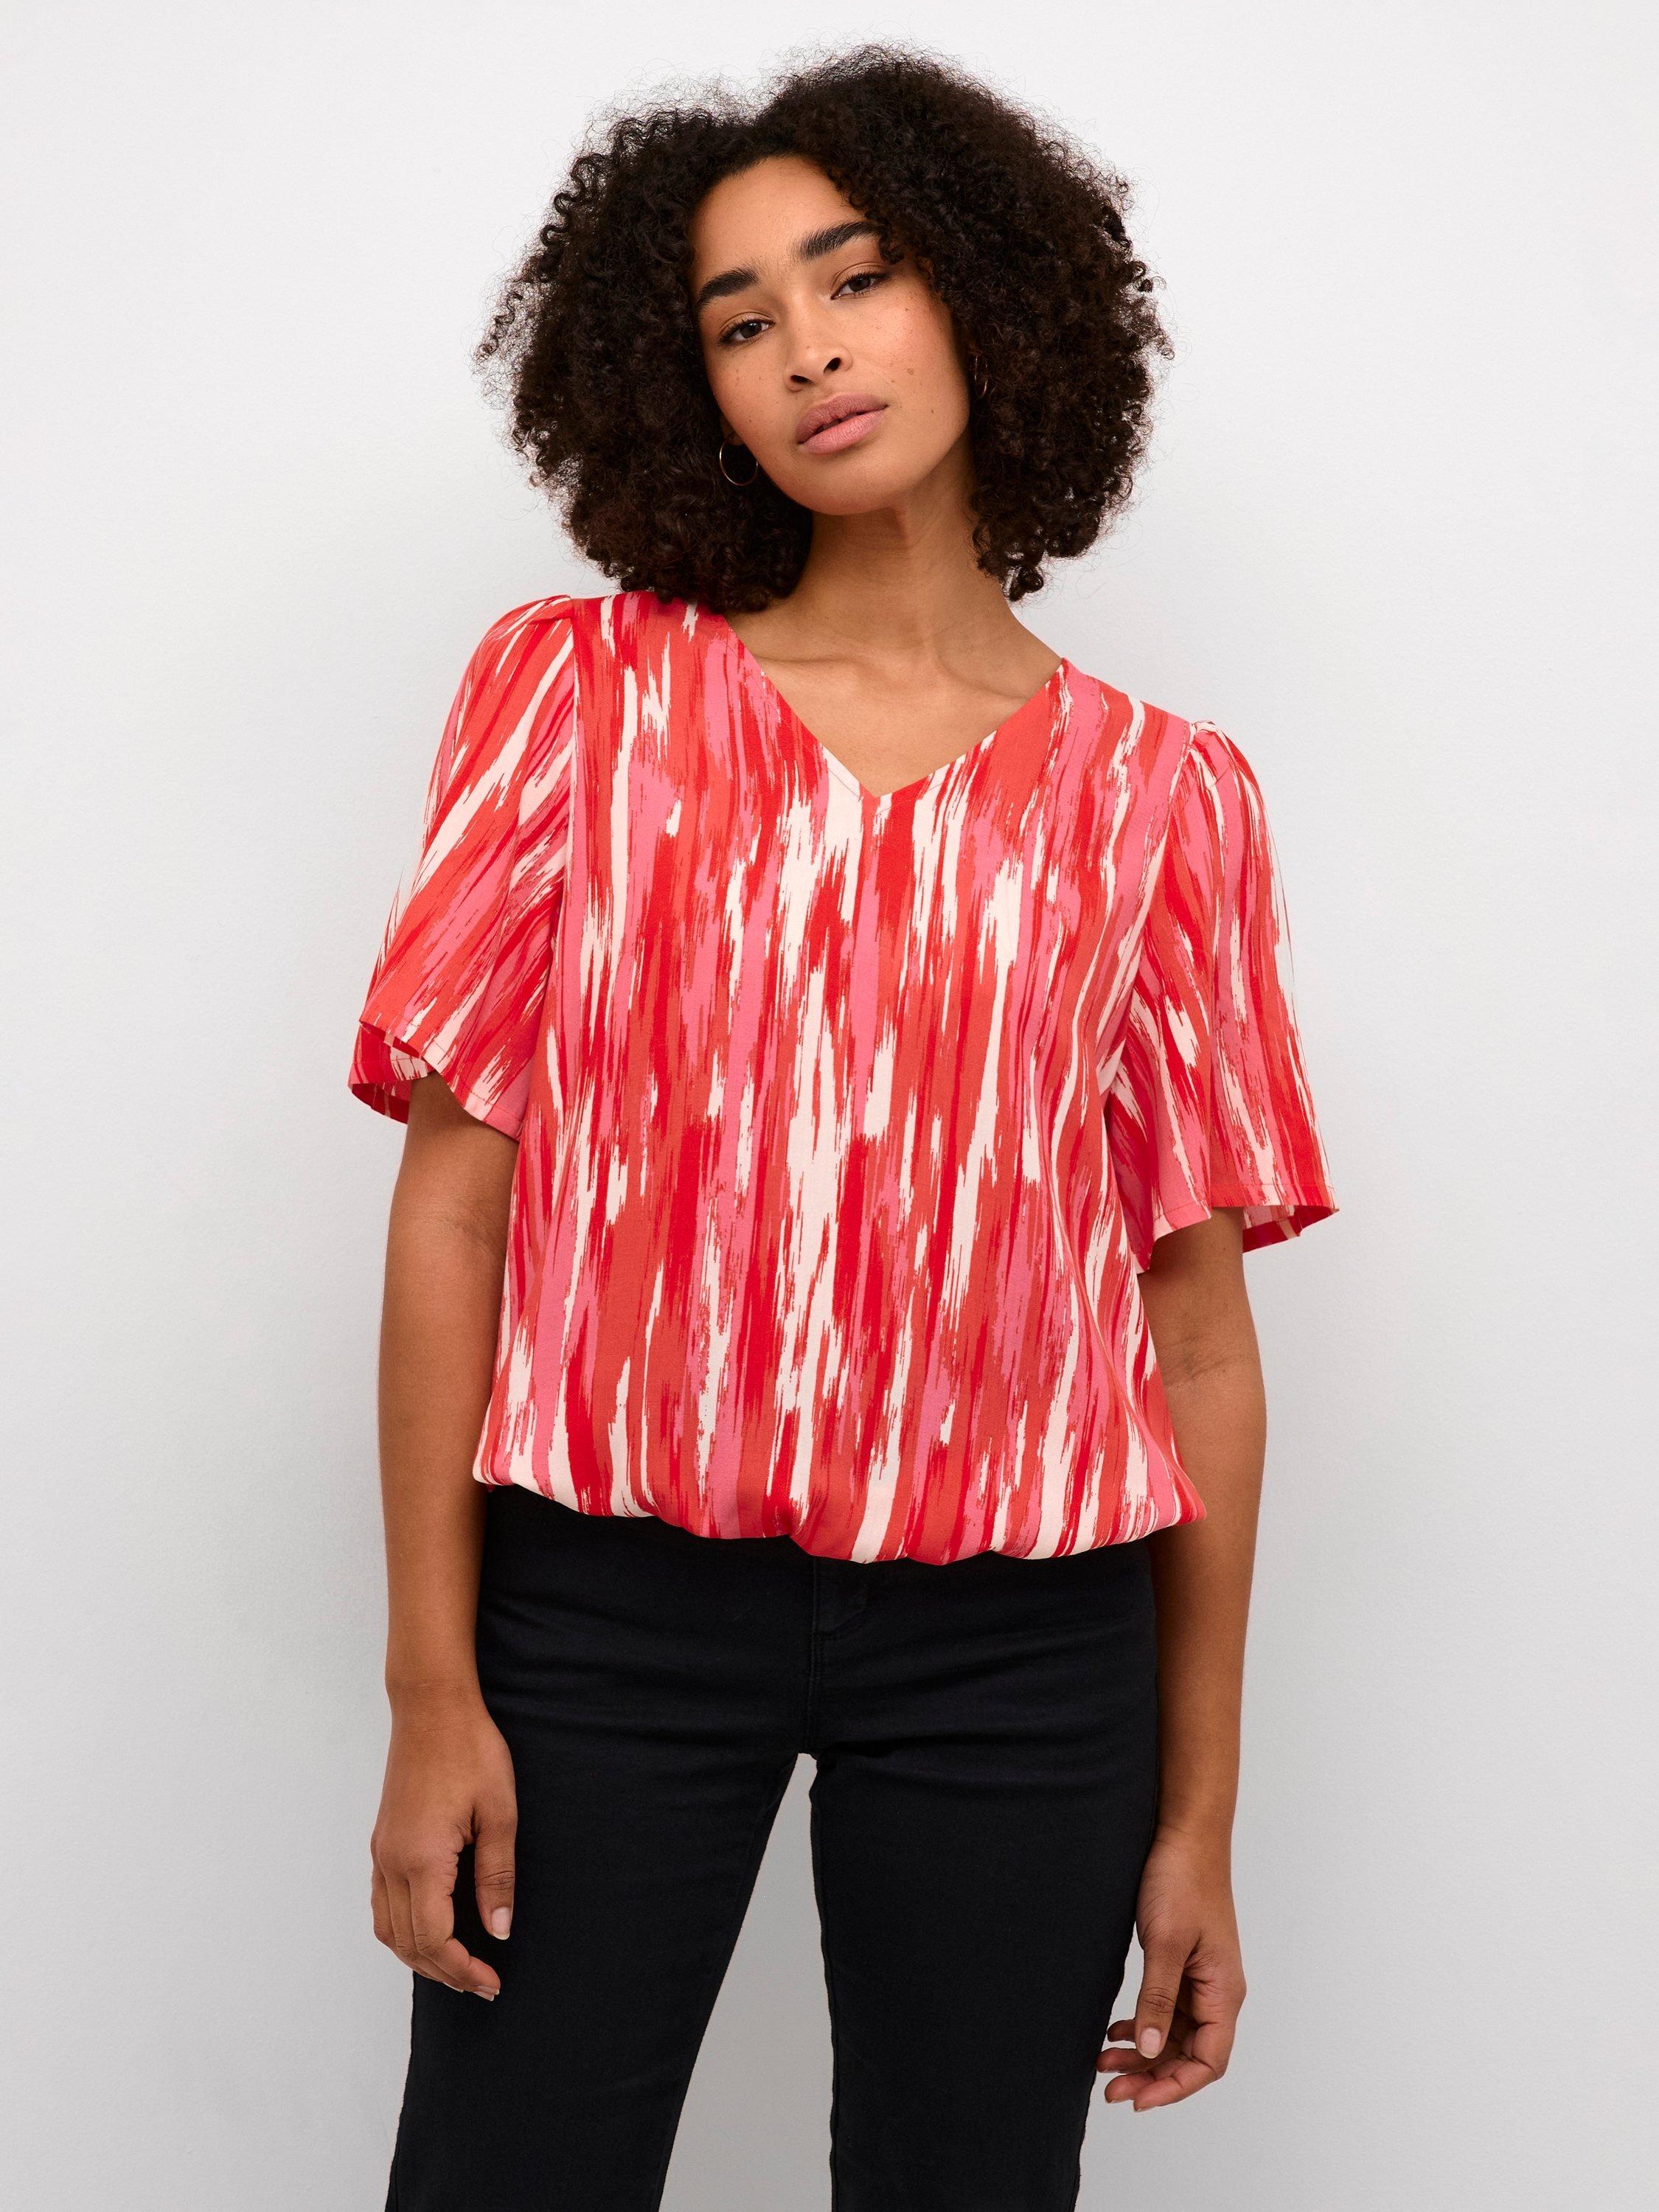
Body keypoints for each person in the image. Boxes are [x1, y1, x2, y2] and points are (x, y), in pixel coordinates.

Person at [347, 44, 1336, 2212]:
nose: (805, 347)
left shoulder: (1164, 800)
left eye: (854, 276)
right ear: (682, 387)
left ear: (986, 294)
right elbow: (453, 1214)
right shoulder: (577, 702)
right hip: (606, 1615)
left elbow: (1193, 1339)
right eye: (738, 319)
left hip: (1025, 1649)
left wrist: (1197, 1820)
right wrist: (433, 1688)